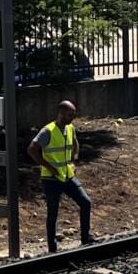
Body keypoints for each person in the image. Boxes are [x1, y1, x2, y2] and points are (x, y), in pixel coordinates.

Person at [28, 100, 92, 250]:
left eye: (73, 115)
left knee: (85, 202)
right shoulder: (48, 131)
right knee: (53, 211)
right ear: (61, 114)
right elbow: (31, 149)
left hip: (67, 176)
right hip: (51, 179)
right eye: (70, 115)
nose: (72, 118)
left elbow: (75, 145)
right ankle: (52, 246)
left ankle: (85, 238)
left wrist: (74, 161)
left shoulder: (70, 129)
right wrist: (49, 167)